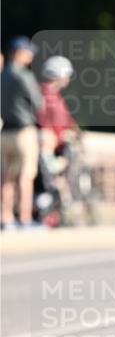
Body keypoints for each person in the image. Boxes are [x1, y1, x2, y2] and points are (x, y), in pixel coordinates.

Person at [1, 36, 43, 228]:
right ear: (20, 53)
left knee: (6, 178)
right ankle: (25, 218)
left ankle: (6, 217)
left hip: (4, 132)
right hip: (23, 131)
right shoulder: (24, 75)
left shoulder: (2, 76)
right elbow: (38, 103)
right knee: (26, 176)